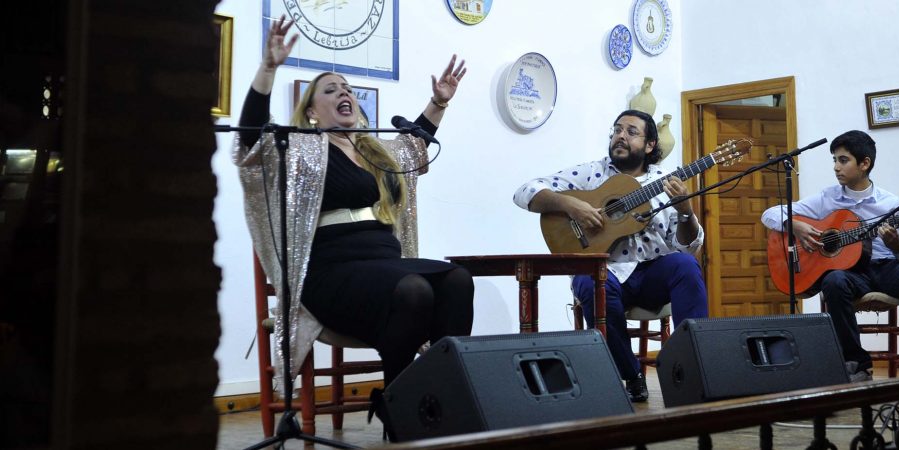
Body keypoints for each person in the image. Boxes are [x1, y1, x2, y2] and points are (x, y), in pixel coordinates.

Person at [232, 16, 475, 425]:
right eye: (331, 90)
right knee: (414, 290)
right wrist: (268, 69)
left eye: (347, 88)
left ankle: (440, 396)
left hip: (385, 266)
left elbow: (415, 146)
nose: (344, 92)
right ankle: (402, 404)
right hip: (331, 274)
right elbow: (250, 143)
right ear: (311, 111)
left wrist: (440, 102)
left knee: (457, 280)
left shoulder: (376, 149)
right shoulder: (298, 148)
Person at [512, 110, 708, 402]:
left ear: (650, 145)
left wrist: (685, 212)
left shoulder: (665, 182)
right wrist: (571, 206)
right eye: (617, 130)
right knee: (592, 283)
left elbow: (687, 246)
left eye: (631, 132)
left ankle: (691, 366)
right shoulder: (594, 173)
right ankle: (631, 376)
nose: (620, 136)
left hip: (652, 272)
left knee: (686, 265)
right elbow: (525, 192)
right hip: (604, 272)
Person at [760, 130, 899, 382]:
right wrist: (794, 225)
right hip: (851, 274)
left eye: (843, 160)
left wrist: (897, 247)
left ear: (864, 164)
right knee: (833, 282)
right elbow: (768, 214)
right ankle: (856, 364)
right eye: (834, 160)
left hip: (887, 269)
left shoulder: (889, 203)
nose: (836, 167)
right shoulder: (827, 198)